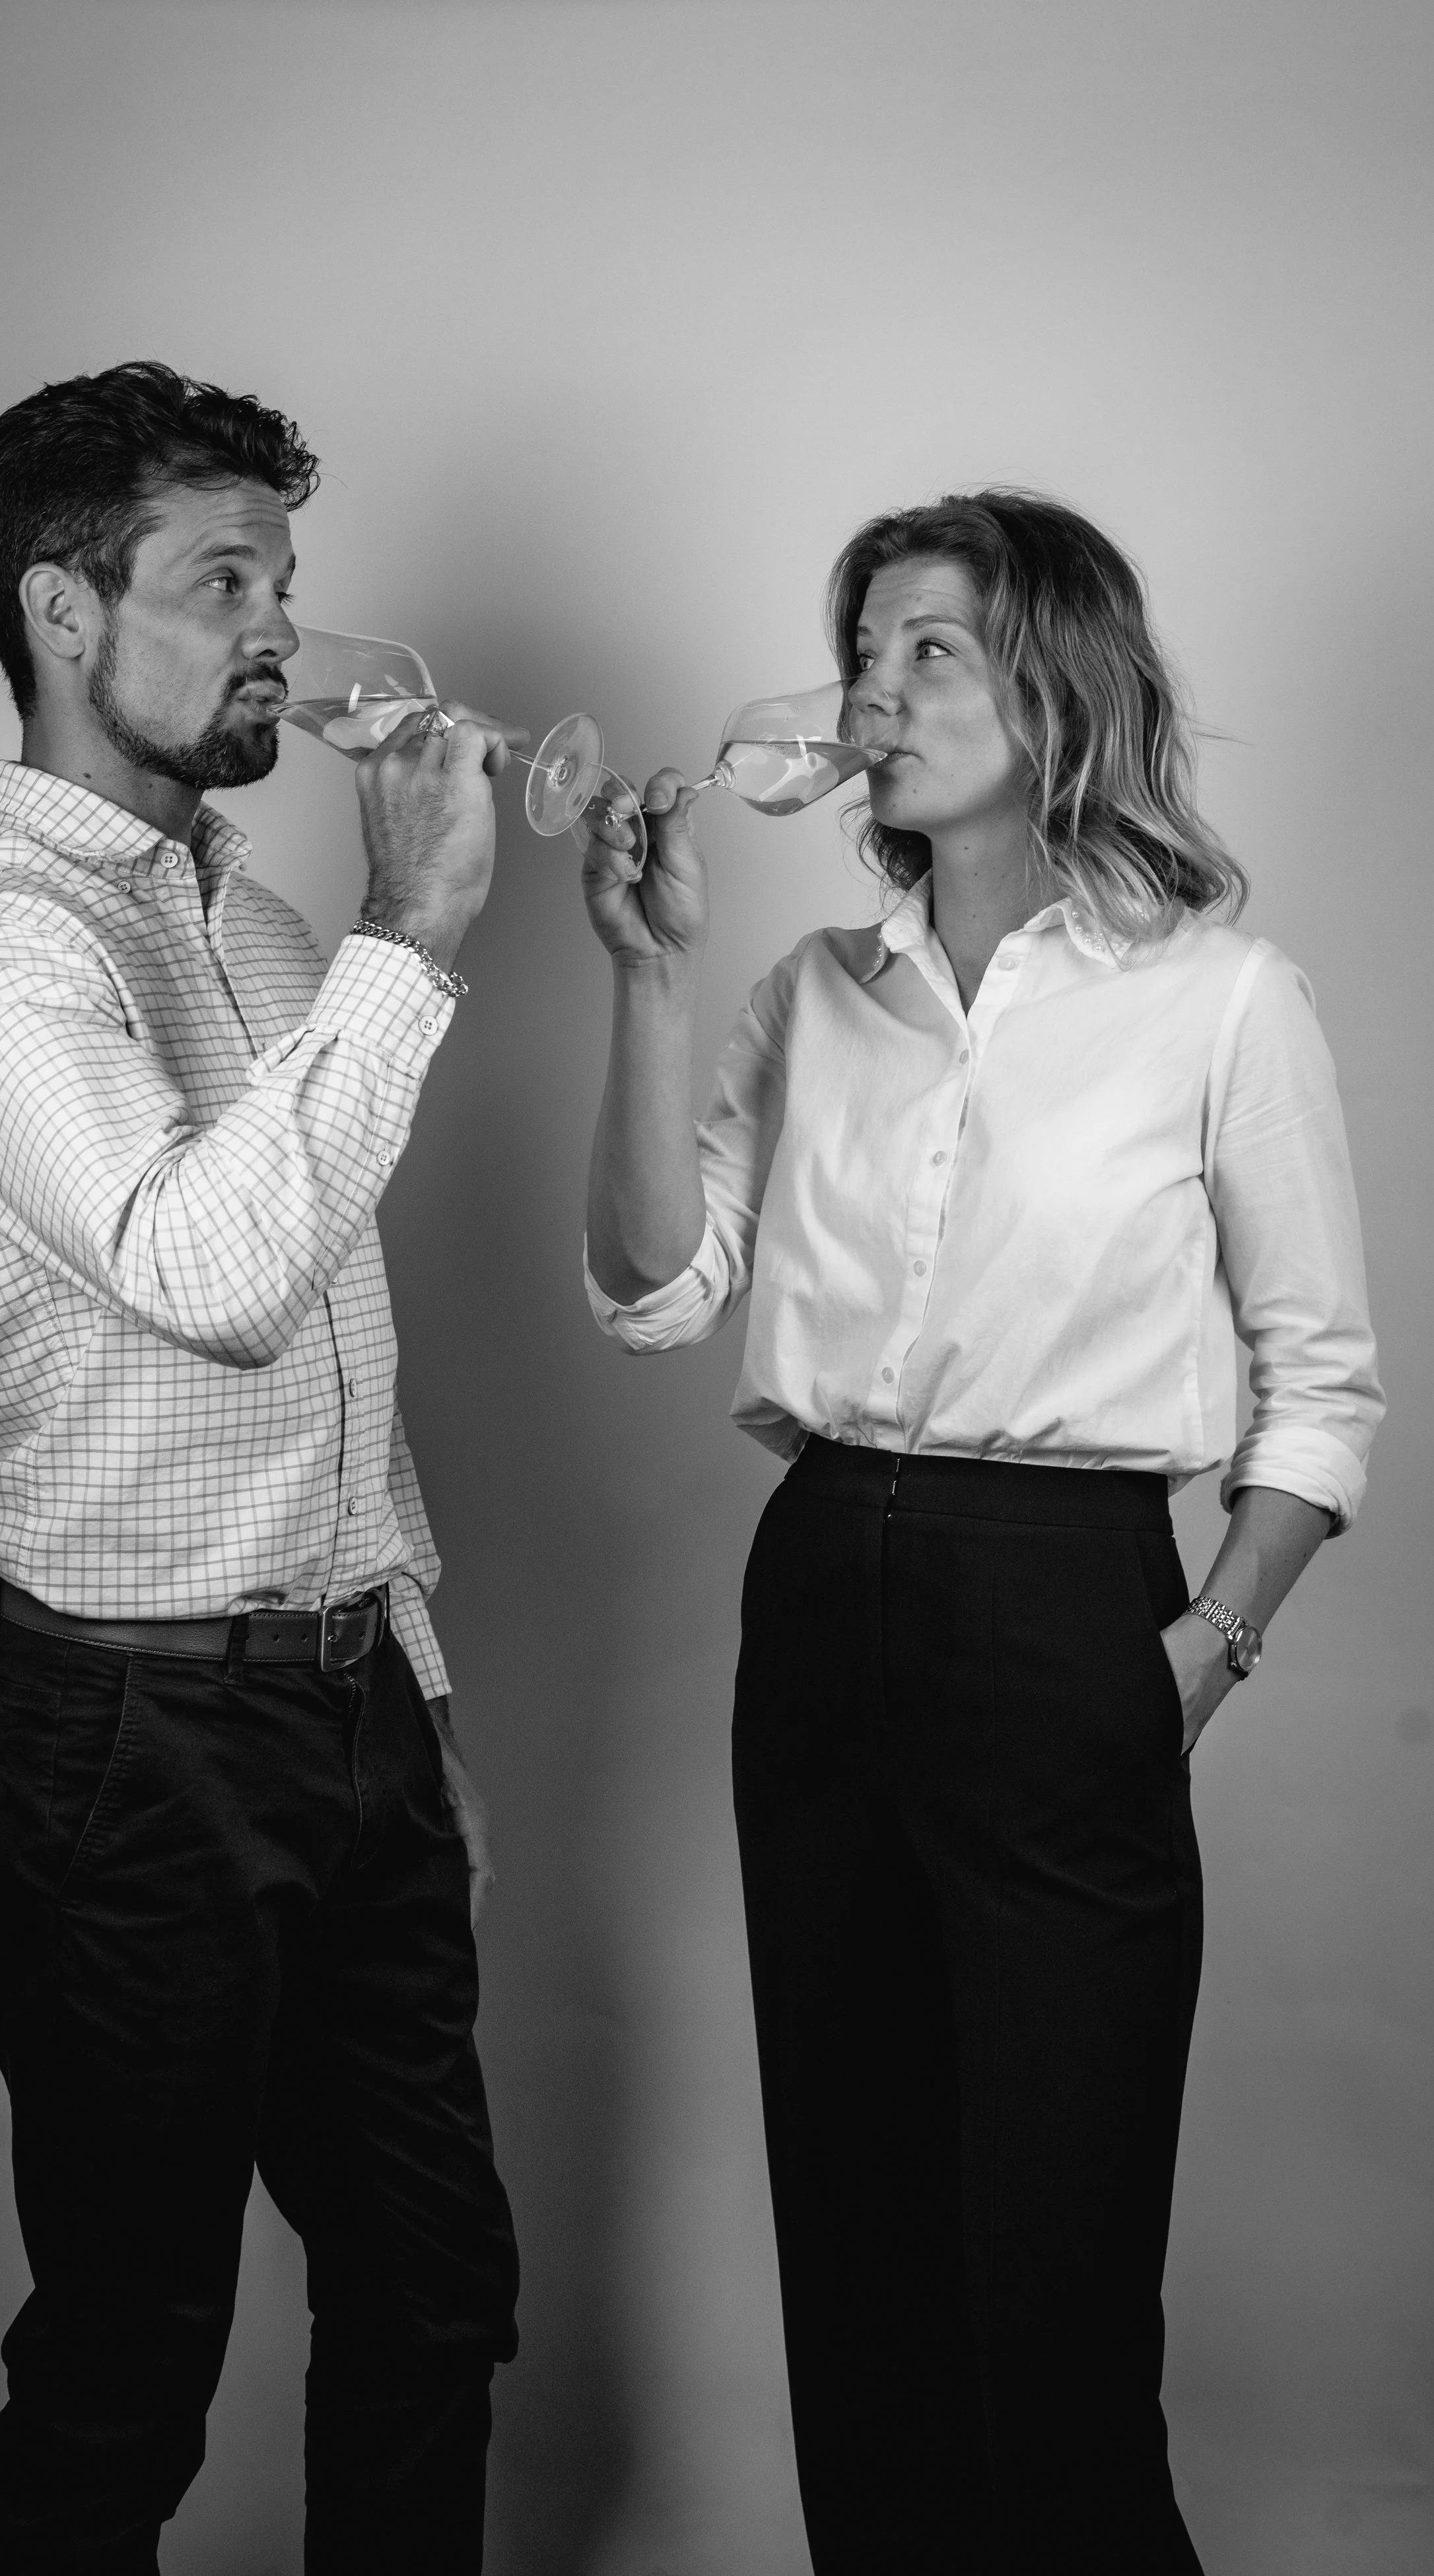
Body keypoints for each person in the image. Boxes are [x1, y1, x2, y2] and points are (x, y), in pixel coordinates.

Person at [577, 491, 1383, 2573]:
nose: (875, 685)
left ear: (1058, 681)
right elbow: (657, 1287)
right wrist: (647, 978)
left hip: (1065, 1602)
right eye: (864, 645)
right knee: (862, 2264)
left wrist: (1203, 1642)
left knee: (1047, 2294)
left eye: (932, 646)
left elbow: (1323, 1385)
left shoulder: (1214, 996)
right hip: (826, 1575)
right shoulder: (806, 992)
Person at [0, 361, 520, 2575]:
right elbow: (217, 1270)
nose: (277, 629)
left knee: (436, 2284)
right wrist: (415, 936)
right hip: (125, 1734)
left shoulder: (253, 929)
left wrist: (409, 1694)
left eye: (286, 580)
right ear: (63, 608)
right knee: (134, 2344)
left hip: (346, 1701)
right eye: (221, 577)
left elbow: (344, 1354)